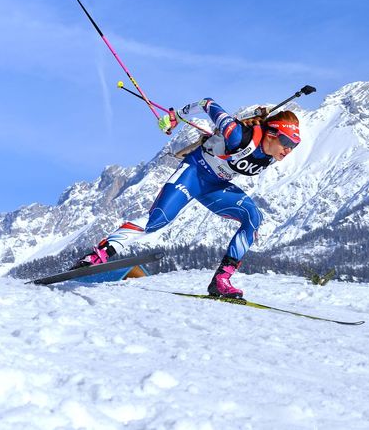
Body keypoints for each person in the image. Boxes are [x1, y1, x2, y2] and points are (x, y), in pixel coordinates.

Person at [72, 98, 301, 299]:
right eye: (287, 142)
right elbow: (207, 103)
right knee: (158, 220)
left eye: (294, 145)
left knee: (252, 218)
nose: (289, 150)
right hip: (193, 174)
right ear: (272, 134)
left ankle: (221, 281)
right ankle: (99, 253)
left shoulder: (271, 155)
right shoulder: (237, 135)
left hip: (216, 187)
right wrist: (176, 117)